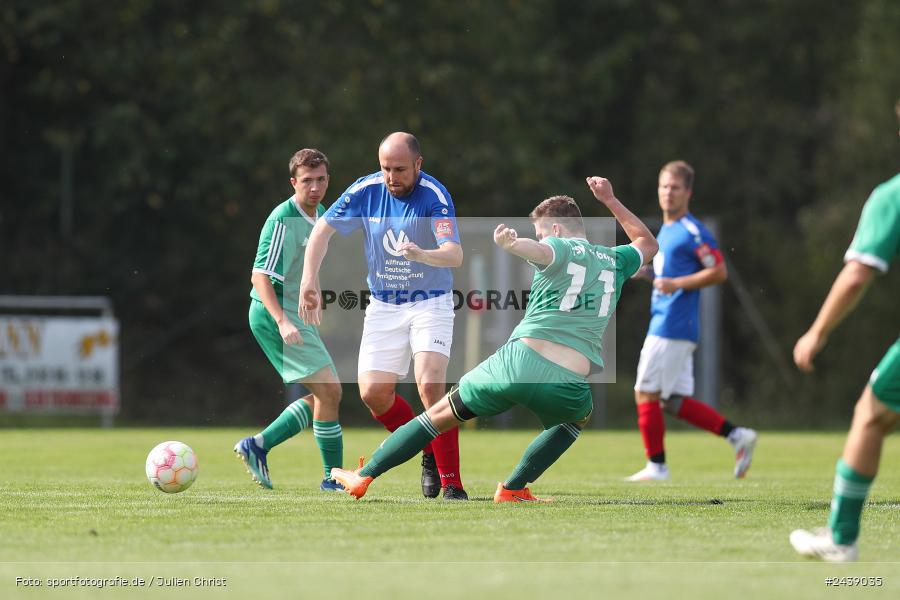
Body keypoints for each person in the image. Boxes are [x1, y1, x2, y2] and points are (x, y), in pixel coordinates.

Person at [328, 177, 658, 502]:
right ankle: (514, 487)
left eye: (541, 230)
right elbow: (647, 242)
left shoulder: (557, 245)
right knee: (574, 420)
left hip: (518, 363)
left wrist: (514, 245)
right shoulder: (616, 260)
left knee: (437, 416)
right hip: (568, 382)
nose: (540, 236)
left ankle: (364, 476)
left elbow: (543, 251)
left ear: (555, 229)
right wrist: (610, 200)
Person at [299, 132, 468, 500]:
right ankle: (426, 444)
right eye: (386, 168)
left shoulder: (434, 196)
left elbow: (454, 254)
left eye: (400, 169)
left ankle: (452, 481)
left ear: (418, 165)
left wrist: (423, 254)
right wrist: (309, 280)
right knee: (374, 394)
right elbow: (321, 232)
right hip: (383, 305)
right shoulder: (366, 190)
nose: (392, 177)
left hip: (431, 301)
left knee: (430, 385)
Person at [789, 100, 900, 562]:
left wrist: (817, 332)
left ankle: (841, 538)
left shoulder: (892, 195)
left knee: (870, 416)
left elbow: (857, 274)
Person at [627, 160, 757, 482]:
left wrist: (676, 284)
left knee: (645, 391)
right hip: (668, 322)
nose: (668, 193)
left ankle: (657, 467)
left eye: (675, 187)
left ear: (688, 192)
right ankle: (737, 436)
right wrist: (648, 275)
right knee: (672, 401)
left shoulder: (691, 230)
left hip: (673, 324)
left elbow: (719, 270)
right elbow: (667, 275)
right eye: (664, 186)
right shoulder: (666, 231)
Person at [234, 148, 344, 492]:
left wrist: (314, 291)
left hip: (295, 312)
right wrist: (282, 320)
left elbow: (307, 262)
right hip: (272, 314)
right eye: (307, 181)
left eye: (321, 179)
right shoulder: (283, 218)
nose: (315, 187)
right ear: (293, 182)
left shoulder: (321, 214)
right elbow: (259, 277)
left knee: (324, 396)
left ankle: (260, 444)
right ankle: (332, 478)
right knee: (331, 392)